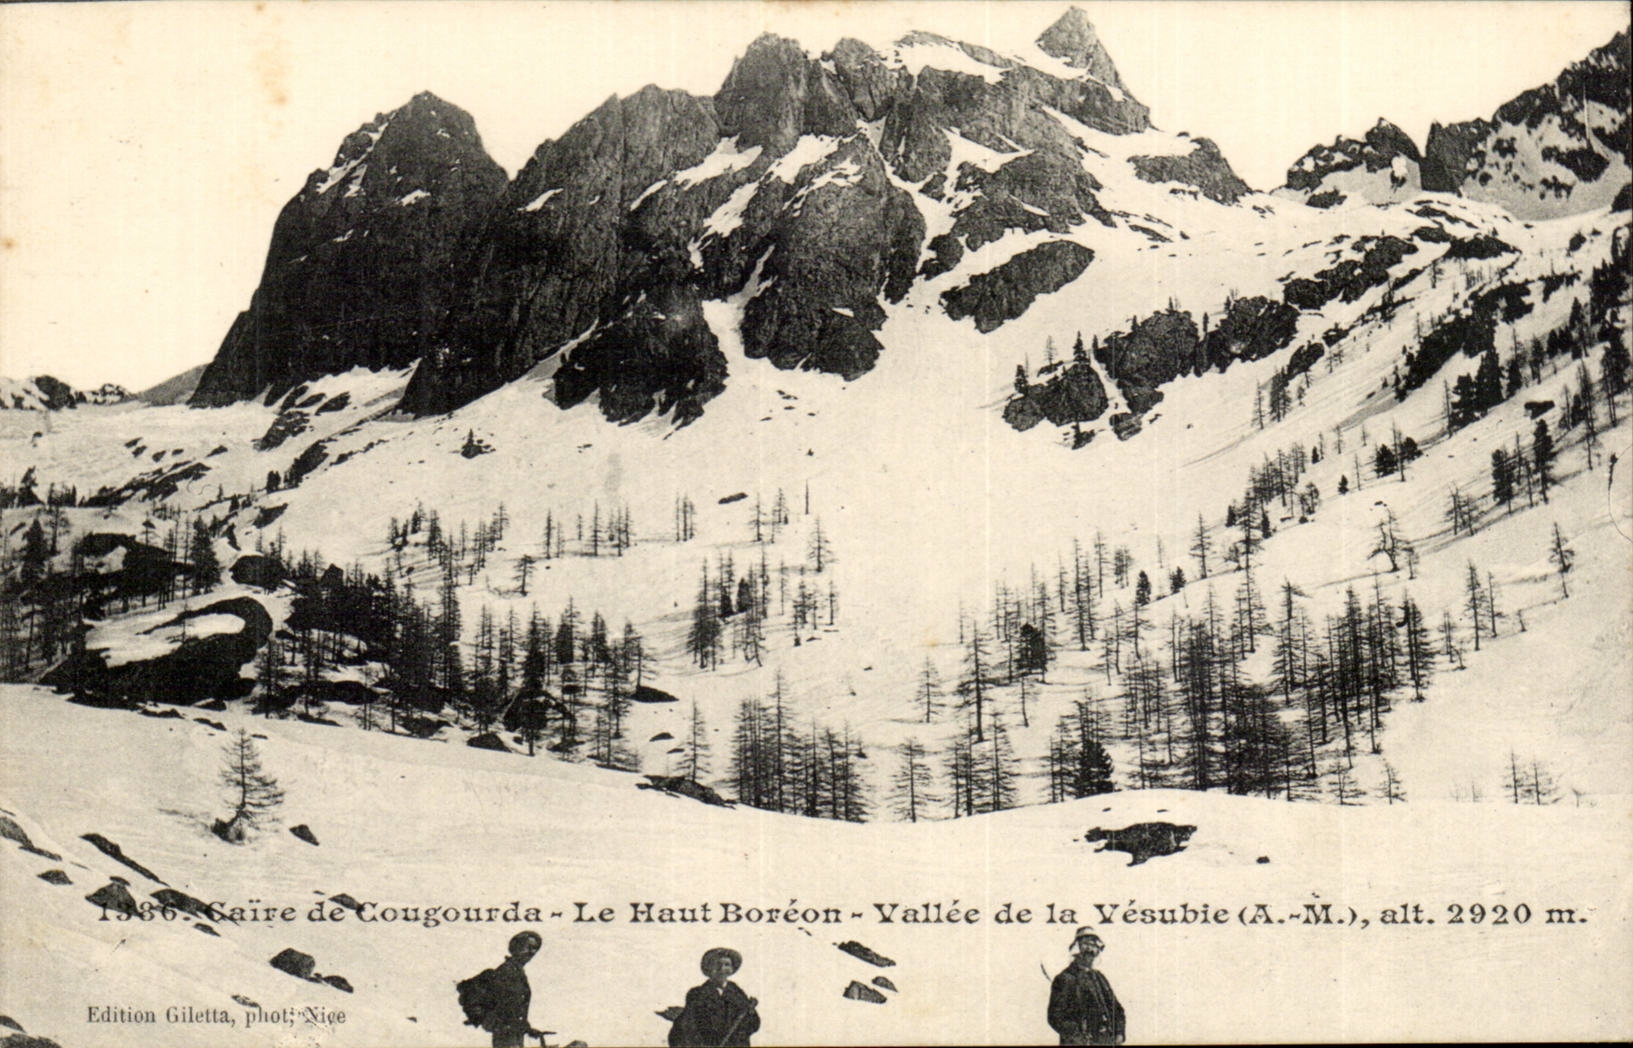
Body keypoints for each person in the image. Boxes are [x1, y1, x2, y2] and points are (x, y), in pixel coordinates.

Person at [1047, 929, 1125, 1046]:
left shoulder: (1100, 978)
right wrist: (1077, 1036)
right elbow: (1055, 1017)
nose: (1090, 950)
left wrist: (1119, 1033)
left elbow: (1117, 1009)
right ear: (1076, 949)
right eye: (1086, 944)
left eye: (1094, 945)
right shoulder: (1065, 978)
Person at [668, 947, 760, 1047]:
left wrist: (750, 1013)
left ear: (732, 969)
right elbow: (687, 1026)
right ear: (709, 968)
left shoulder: (737, 993)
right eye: (717, 965)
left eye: (727, 965)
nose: (722, 969)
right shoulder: (697, 994)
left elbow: (753, 1025)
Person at [483, 930, 548, 1047]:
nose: (531, 952)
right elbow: (501, 1006)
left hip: (515, 1036)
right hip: (506, 1037)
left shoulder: (517, 972)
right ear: (516, 947)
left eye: (535, 948)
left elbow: (516, 1009)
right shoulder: (506, 971)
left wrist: (527, 1029)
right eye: (528, 947)